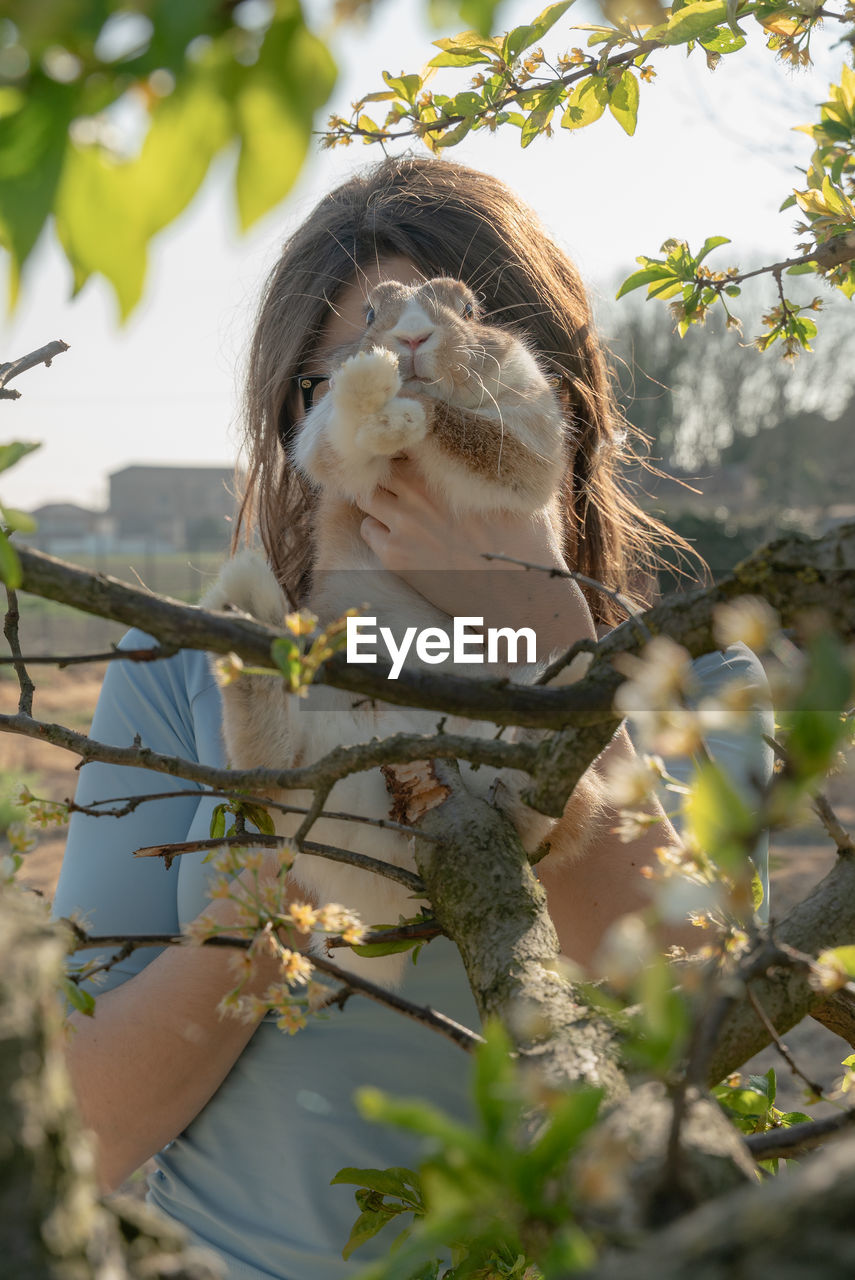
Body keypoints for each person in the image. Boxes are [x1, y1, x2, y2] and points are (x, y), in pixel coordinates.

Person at [53, 154, 773, 1280]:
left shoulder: (696, 684)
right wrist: (301, 836)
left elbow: (695, 1019)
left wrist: (538, 632)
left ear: (560, 402)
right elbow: (79, 1123)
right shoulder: (192, 667)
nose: (408, 432)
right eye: (356, 383)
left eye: (448, 382)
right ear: (300, 426)